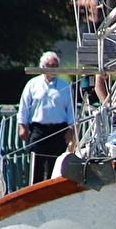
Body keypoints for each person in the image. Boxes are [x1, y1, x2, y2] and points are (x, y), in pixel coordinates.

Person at [17, 51, 75, 184]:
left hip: (58, 130)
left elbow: (71, 109)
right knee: (36, 164)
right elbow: (24, 106)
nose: (53, 69)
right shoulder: (33, 84)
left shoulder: (65, 86)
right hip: (38, 129)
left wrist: (71, 129)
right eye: (50, 65)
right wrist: (22, 126)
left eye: (56, 66)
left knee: (55, 165)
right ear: (42, 66)